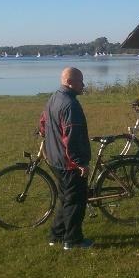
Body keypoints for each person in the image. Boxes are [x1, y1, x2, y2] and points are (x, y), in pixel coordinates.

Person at [39, 67, 94, 249]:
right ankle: (73, 240)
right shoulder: (70, 105)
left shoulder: (54, 97)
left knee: (66, 198)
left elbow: (43, 122)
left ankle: (56, 235)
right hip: (69, 162)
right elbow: (72, 136)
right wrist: (80, 163)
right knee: (76, 202)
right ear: (70, 82)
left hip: (55, 159)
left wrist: (42, 134)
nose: (83, 85)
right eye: (80, 81)